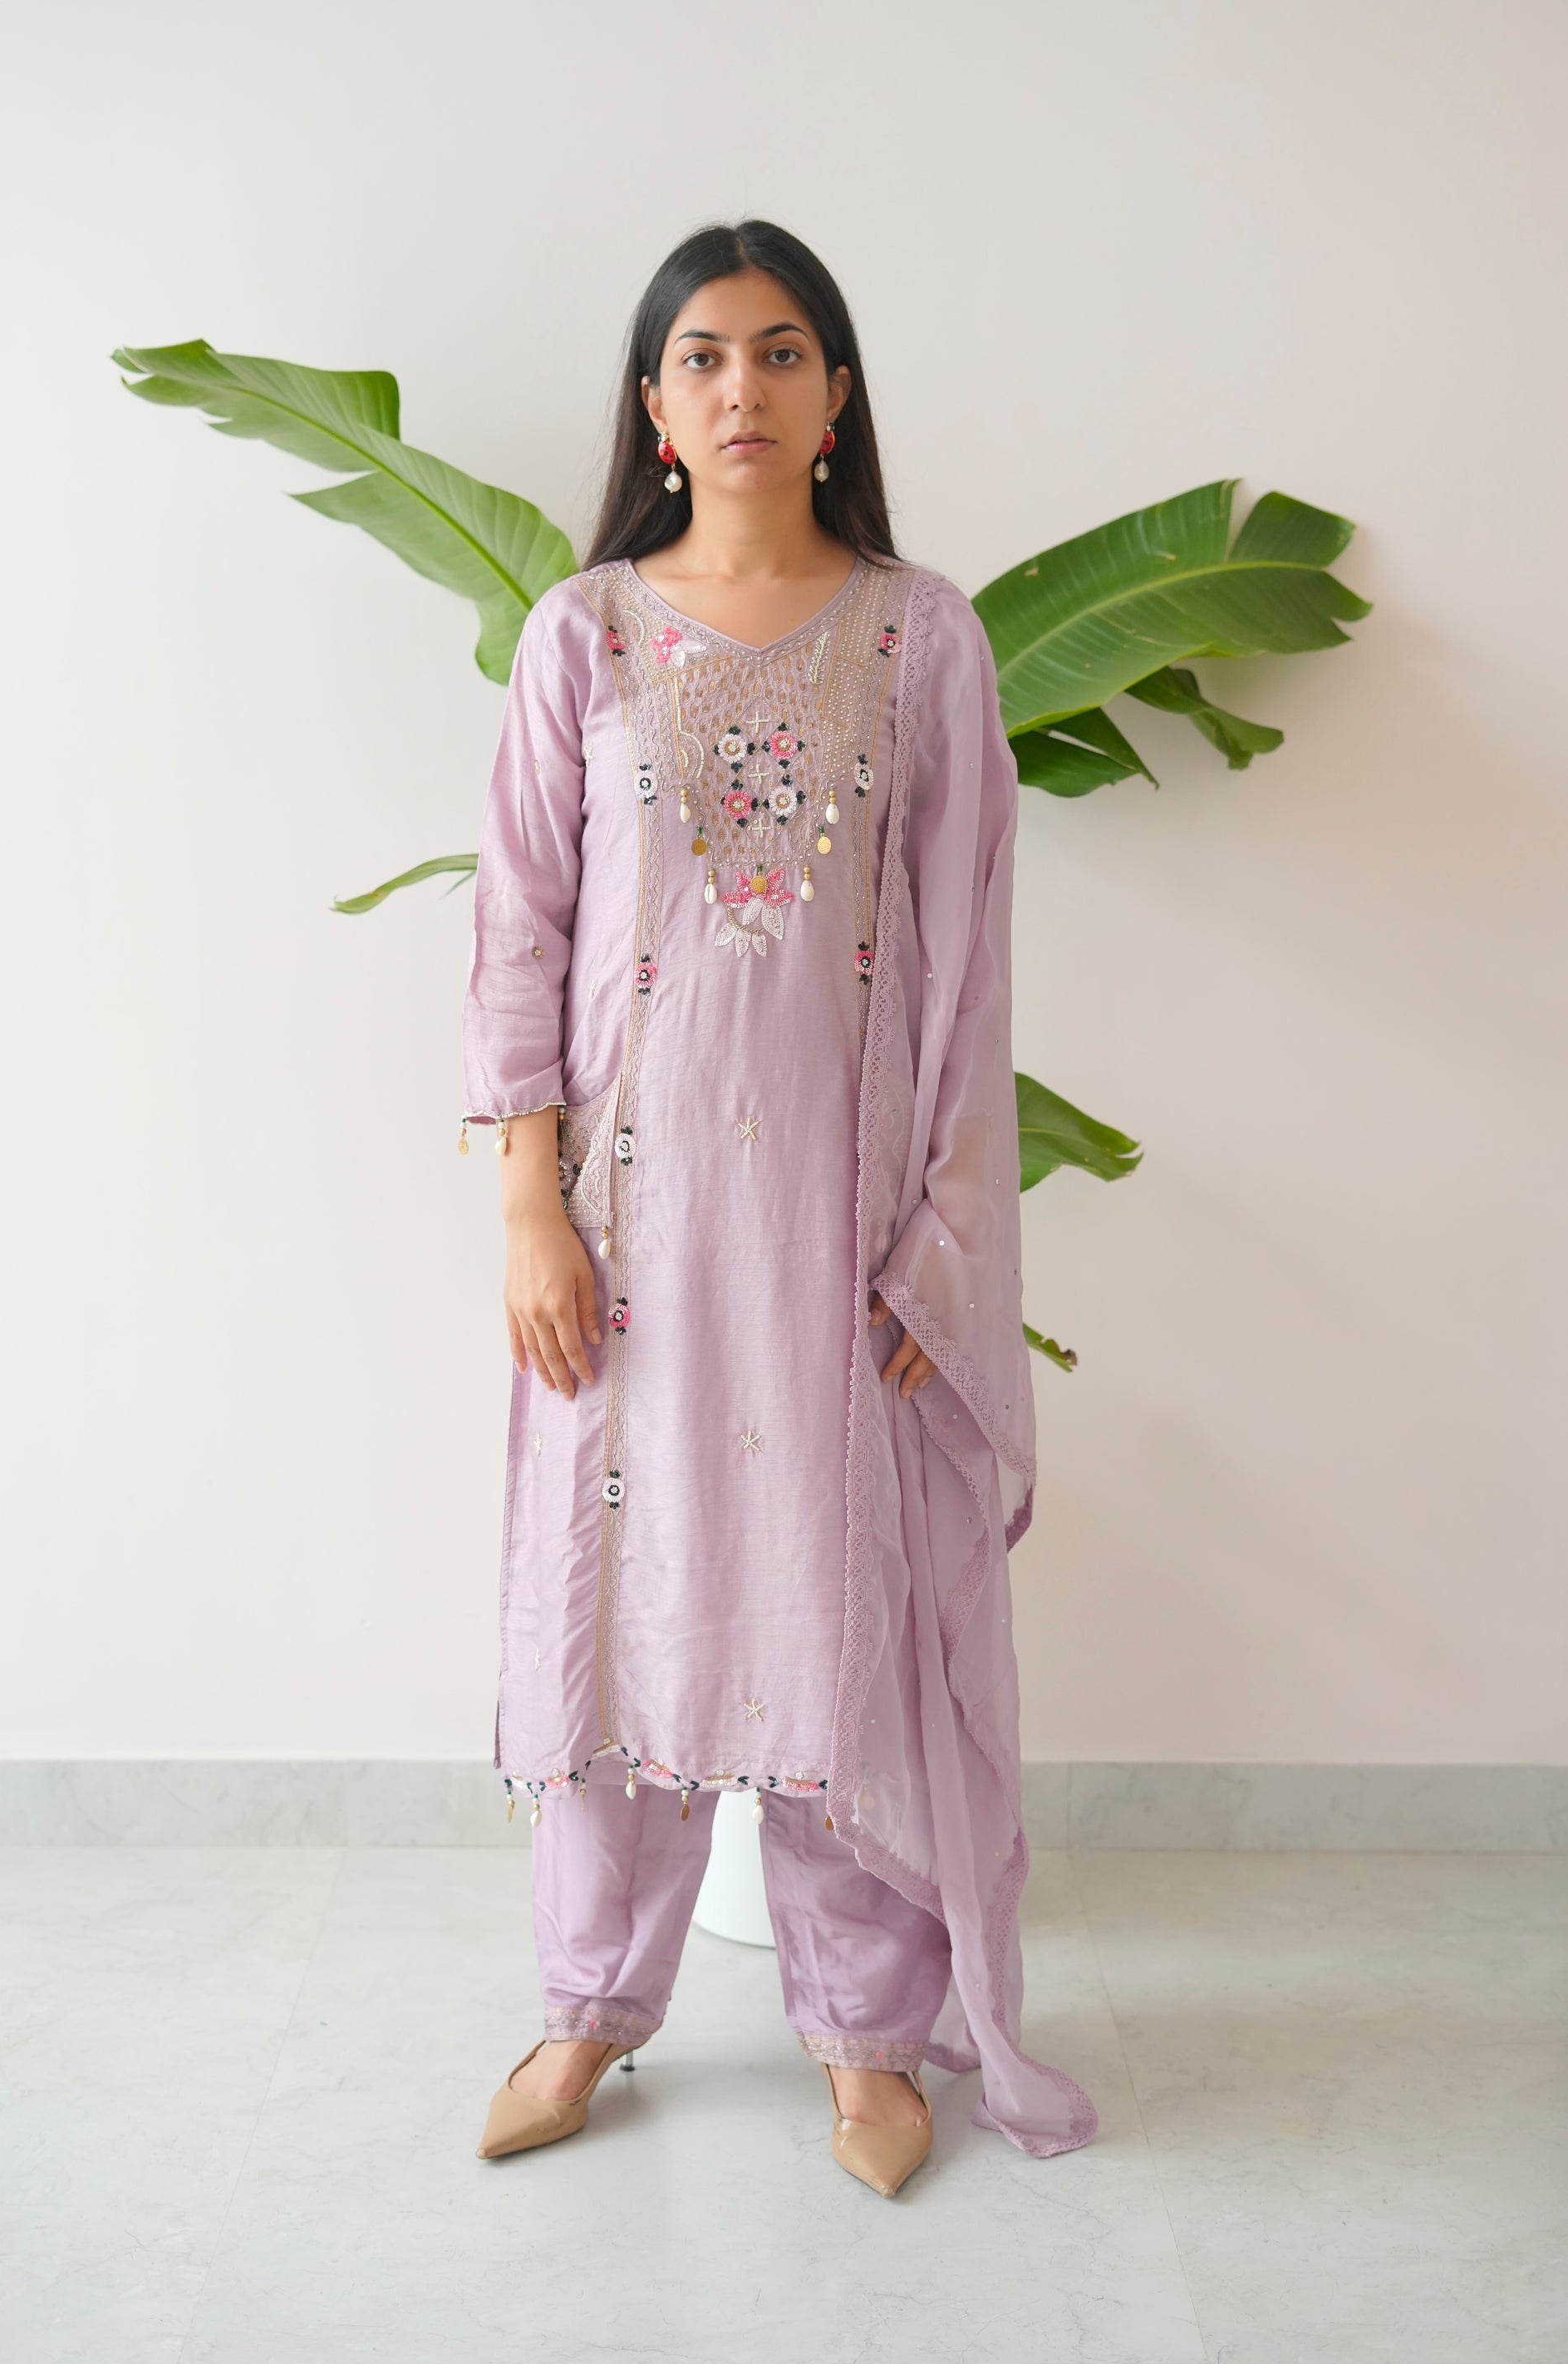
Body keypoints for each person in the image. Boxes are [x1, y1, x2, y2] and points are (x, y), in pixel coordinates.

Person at [461, 220, 1097, 2196]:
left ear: (836, 399)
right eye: (703, 356)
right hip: (632, 1237)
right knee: (608, 1598)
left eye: (784, 351)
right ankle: (589, 2001)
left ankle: (865, 2034)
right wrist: (530, 1209)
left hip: (840, 1234)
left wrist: (942, 1243)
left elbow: (967, 956)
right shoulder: (584, 637)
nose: (743, 386)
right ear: (655, 408)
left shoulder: (923, 636)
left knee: (841, 1589)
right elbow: (517, 938)